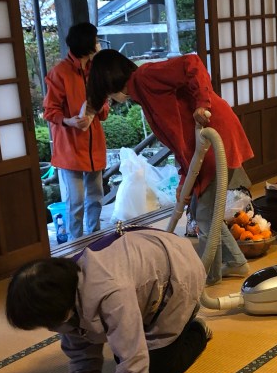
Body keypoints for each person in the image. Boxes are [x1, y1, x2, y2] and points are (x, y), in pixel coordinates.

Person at [5, 228, 210, 373]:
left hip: (177, 271)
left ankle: (197, 329)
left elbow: (132, 354)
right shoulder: (61, 288)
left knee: (158, 372)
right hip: (141, 272)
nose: (48, 328)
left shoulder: (111, 292)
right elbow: (77, 340)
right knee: (122, 354)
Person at [86, 49, 254, 285]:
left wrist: (202, 104)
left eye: (106, 94)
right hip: (201, 148)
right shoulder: (143, 95)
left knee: (205, 215)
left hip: (215, 135)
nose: (111, 100)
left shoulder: (145, 77)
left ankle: (209, 275)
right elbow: (178, 141)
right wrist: (185, 182)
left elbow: (191, 63)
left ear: (110, 79)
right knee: (199, 210)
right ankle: (236, 262)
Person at [43, 22, 109, 240]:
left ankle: (95, 238)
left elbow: (104, 108)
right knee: (76, 200)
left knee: (96, 196)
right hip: (70, 147)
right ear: (86, 43)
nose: (98, 44)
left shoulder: (96, 71)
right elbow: (50, 111)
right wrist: (69, 121)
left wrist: (100, 107)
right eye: (95, 40)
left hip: (94, 145)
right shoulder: (59, 73)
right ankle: (75, 243)